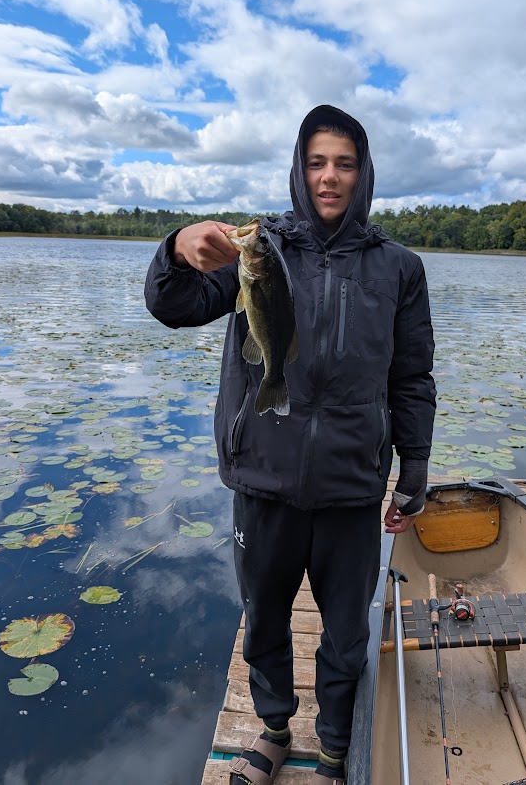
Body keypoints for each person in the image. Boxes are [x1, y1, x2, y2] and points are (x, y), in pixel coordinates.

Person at [144, 105, 436, 785]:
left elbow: (412, 376)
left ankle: (335, 747)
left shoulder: (400, 269)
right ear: (299, 170)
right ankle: (274, 727)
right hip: (264, 479)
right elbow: (171, 304)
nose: (329, 176)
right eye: (316, 161)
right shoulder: (260, 251)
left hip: (351, 488)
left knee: (345, 636)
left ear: (363, 173)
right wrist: (179, 247)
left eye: (344, 162)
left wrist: (414, 467)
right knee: (265, 621)